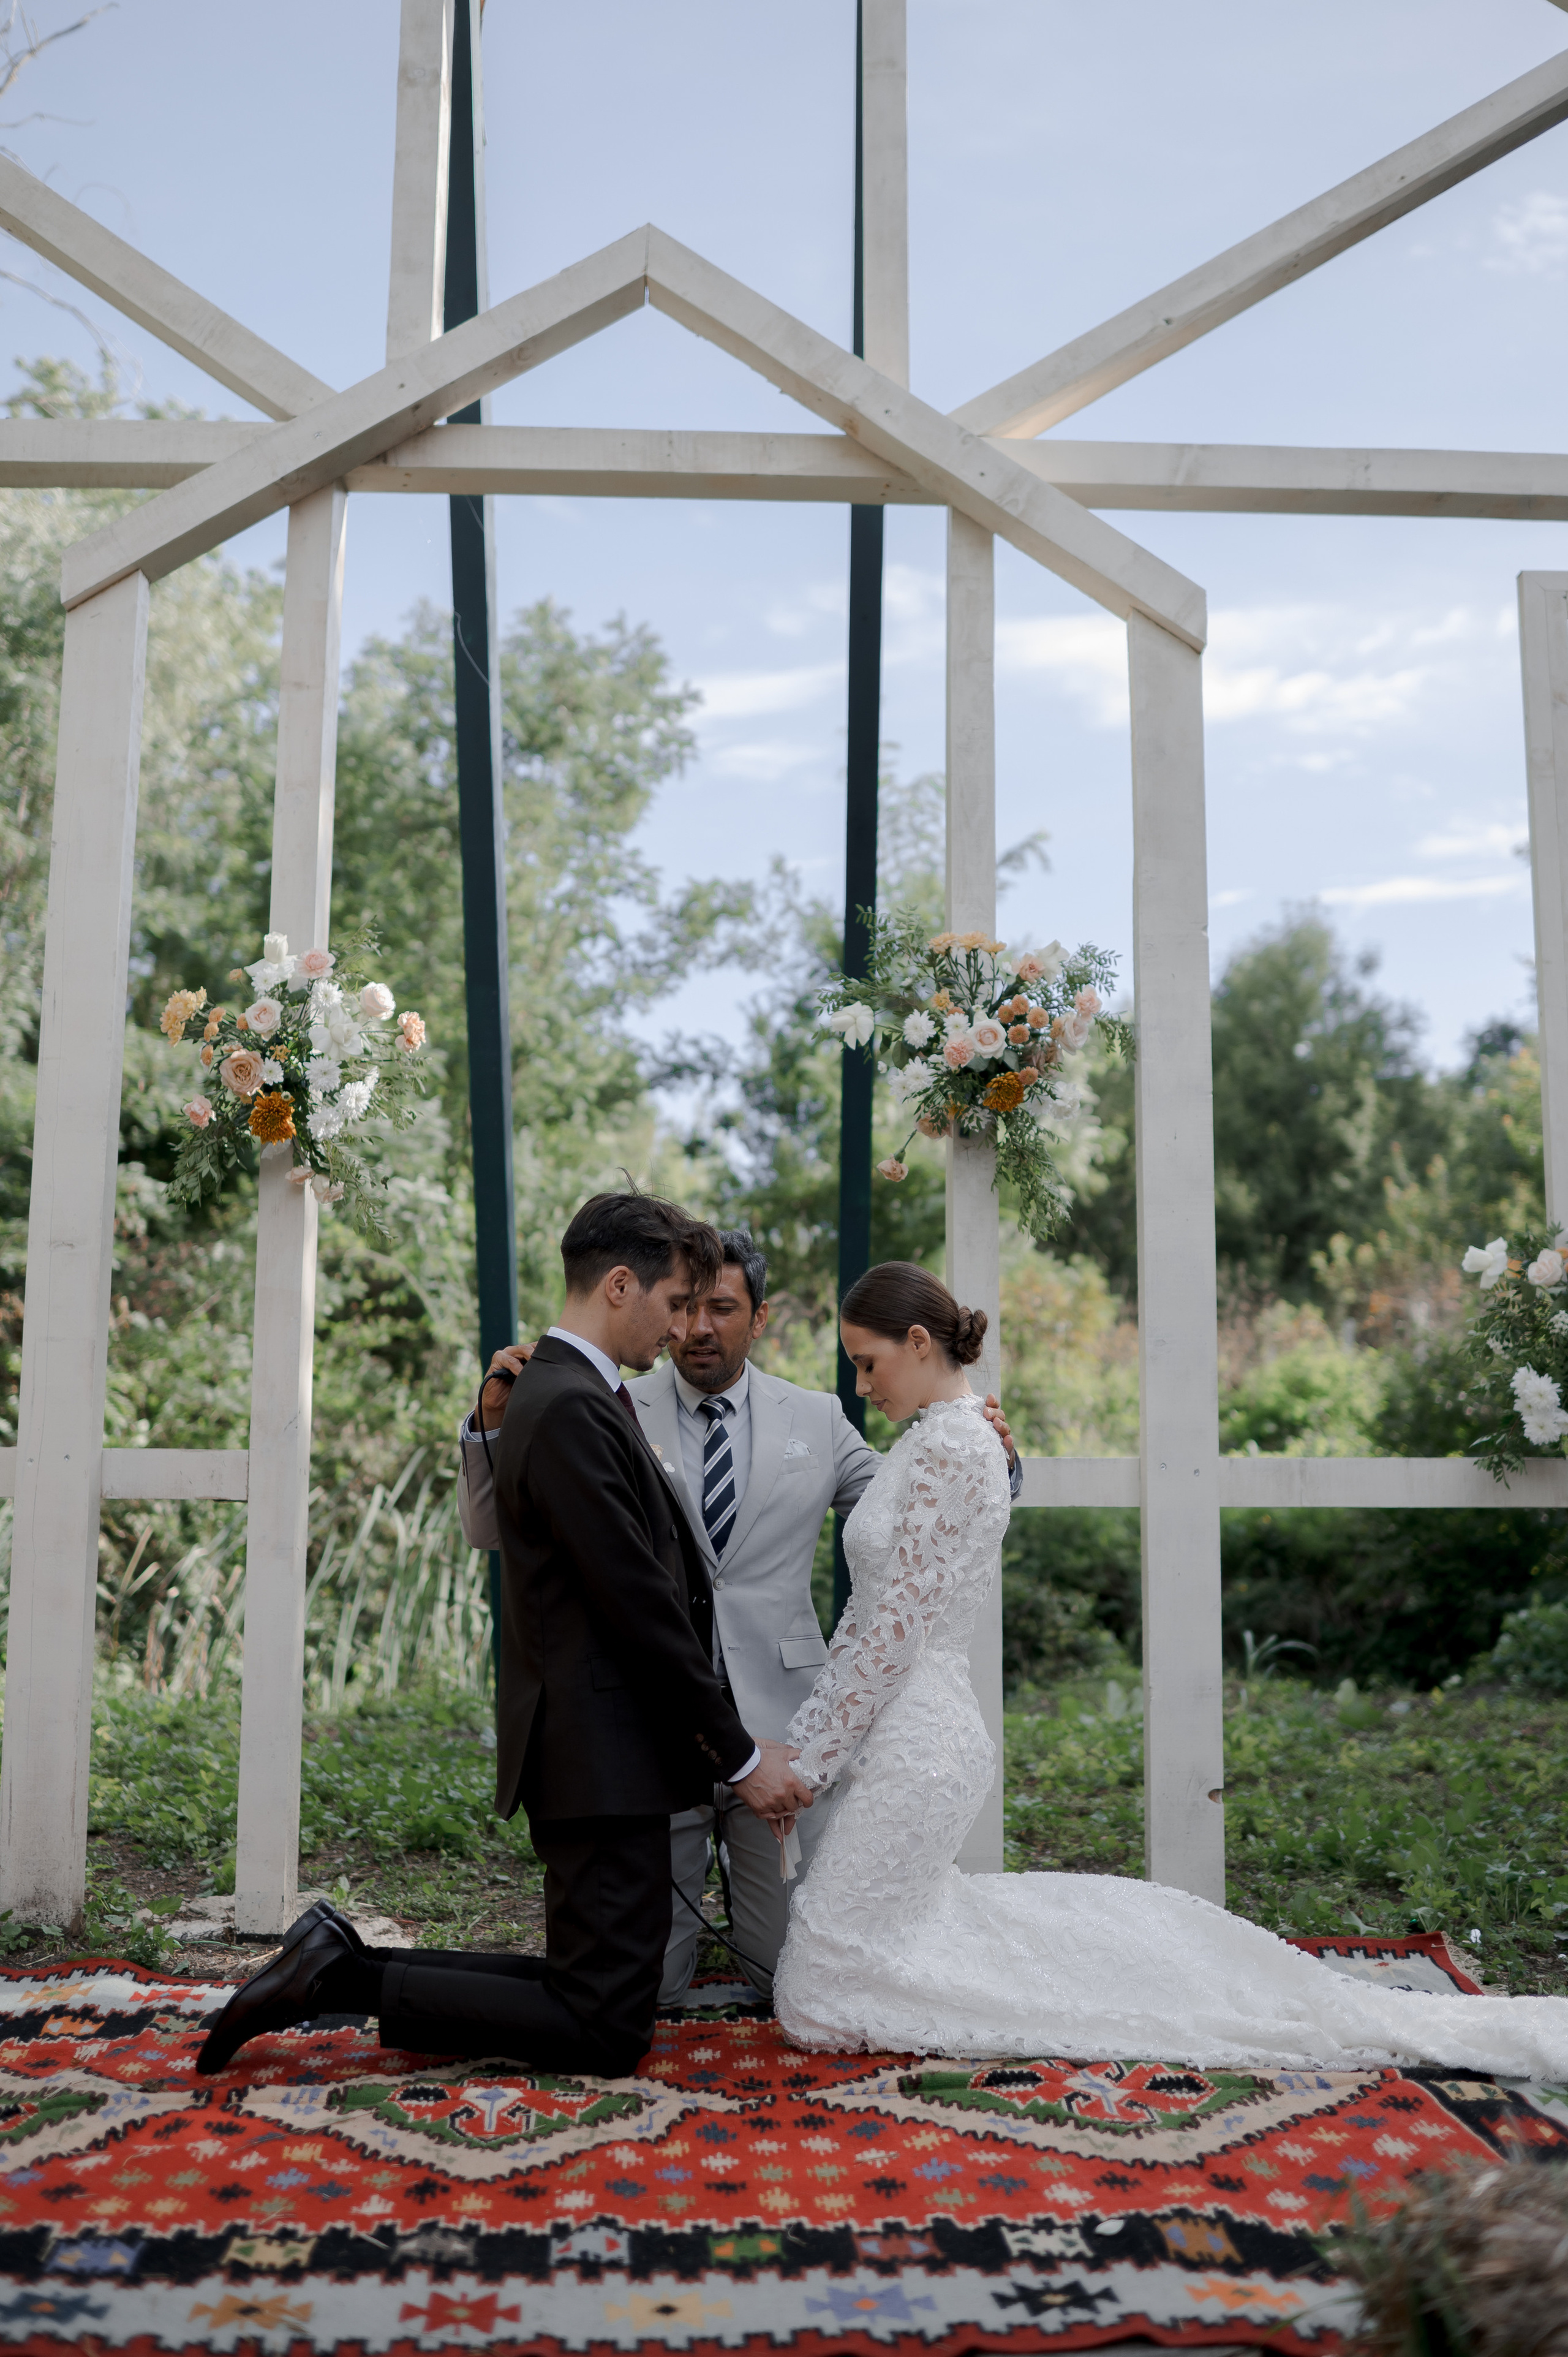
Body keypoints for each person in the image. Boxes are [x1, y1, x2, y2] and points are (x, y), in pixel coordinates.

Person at [772, 1258, 1568, 2077]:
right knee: (869, 1957)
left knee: (816, 1994)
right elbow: (869, 1620)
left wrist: (808, 1763)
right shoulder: (946, 1436)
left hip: (920, 1743)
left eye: (867, 1362)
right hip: (908, 1729)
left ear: (917, 1341)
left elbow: (891, 1633)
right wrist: (812, 1746)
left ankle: (1107, 1992)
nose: (860, 1383)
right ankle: (1088, 1965)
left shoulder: (953, 1444)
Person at [197, 1190, 812, 2080]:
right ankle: (338, 1974)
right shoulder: (566, 1405)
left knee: (597, 1994)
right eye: (677, 1302)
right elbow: (637, 1603)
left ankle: (340, 1962)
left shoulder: (571, 1392)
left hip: (610, 1753)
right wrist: (740, 1756)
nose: (683, 1327)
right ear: (619, 1284)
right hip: (598, 1754)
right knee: (606, 2025)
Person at [457, 1229, 1023, 2003]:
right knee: (645, 1985)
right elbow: (494, 1531)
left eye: (721, 1308)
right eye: (684, 1305)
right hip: (655, 1730)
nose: (696, 1326)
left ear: (759, 1318)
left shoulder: (818, 1416)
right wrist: (492, 1426)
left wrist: (993, 1457)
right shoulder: (606, 1403)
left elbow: (907, 1511)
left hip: (783, 1729)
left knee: (785, 1972)